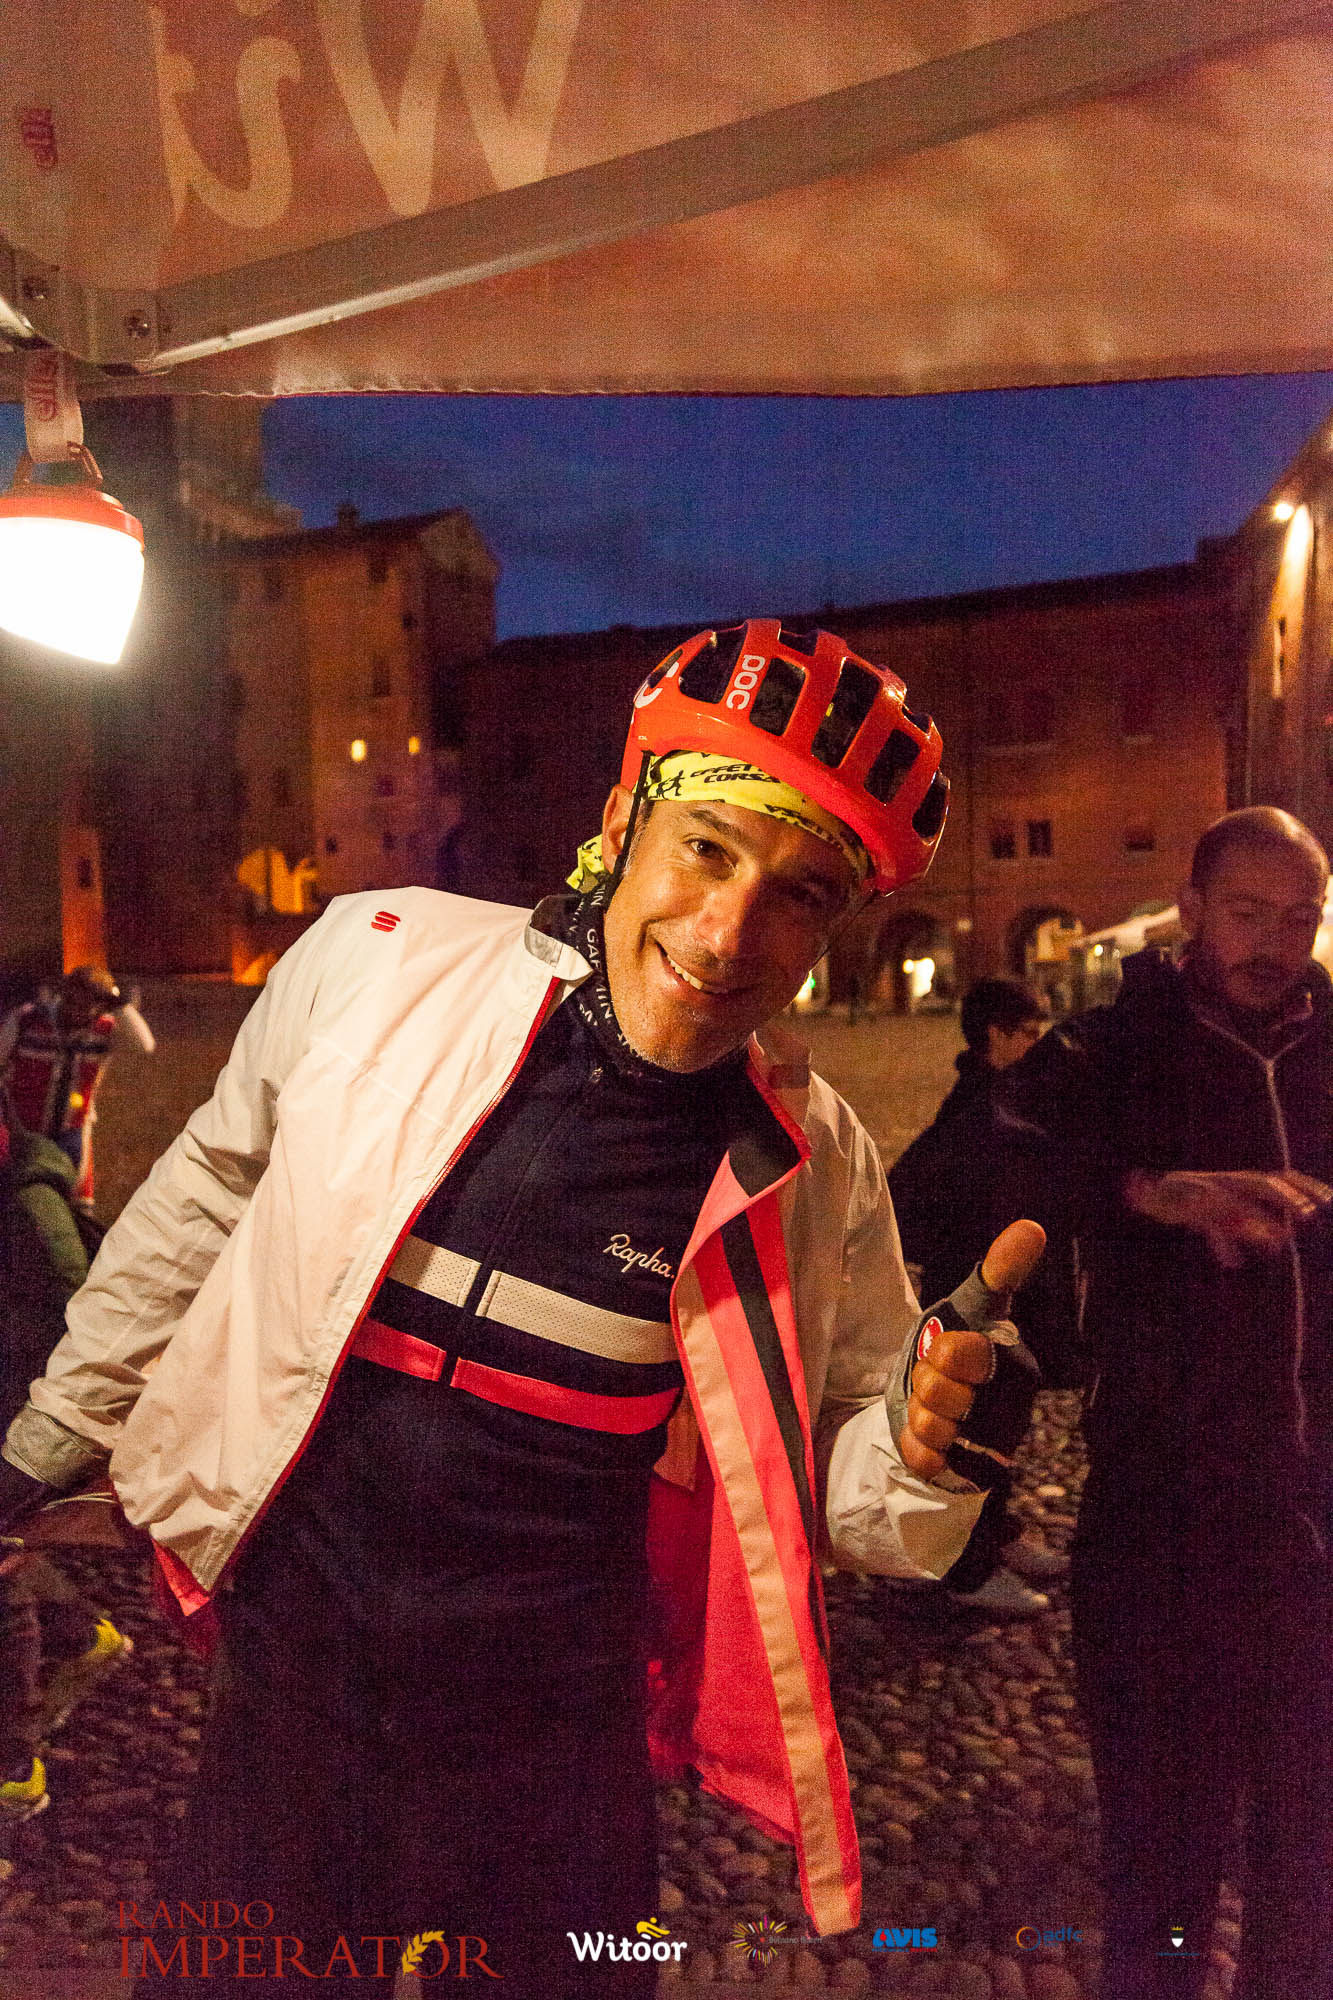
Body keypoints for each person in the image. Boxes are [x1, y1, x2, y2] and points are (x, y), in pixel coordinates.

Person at [0, 621, 1016, 1997]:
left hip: (557, 1749)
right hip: (293, 1694)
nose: (728, 933)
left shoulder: (810, 1160)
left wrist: (918, 1451)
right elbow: (209, 1191)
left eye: (799, 894)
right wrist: (56, 1429)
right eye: (706, 848)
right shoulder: (376, 958)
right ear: (623, 818)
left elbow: (826, 1478)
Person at [992, 806, 1332, 2000]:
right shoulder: (1106, 1049)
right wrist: (1152, 1192)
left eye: (1297, 917)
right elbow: (971, 1176)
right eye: (1246, 912)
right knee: (1162, 1855)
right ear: (1190, 911)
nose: (1272, 942)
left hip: (1321, 1523)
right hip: (1163, 1522)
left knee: (1312, 1852)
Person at [889, 976, 1075, 1616]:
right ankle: (964, 1570)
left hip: (1009, 1301)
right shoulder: (976, 1112)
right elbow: (906, 1195)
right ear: (996, 1035)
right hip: (977, 1305)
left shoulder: (1010, 1097)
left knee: (1003, 1426)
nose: (1039, 1040)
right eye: (1029, 1029)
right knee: (973, 1434)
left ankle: (996, 1534)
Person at [0, 966, 155, 1210]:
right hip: (21, 1131)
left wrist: (119, 1003)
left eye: (90, 1004)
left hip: (72, 1132)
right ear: (64, 994)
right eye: (74, 1001)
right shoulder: (28, 1019)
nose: (79, 1011)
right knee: (17, 1204)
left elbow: (144, 1045)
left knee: (78, 1208)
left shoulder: (104, 1029)